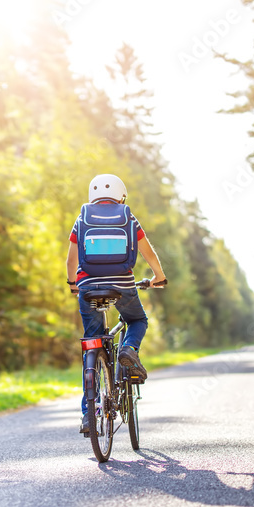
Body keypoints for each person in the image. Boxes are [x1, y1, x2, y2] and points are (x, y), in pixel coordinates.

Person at [66, 174, 167, 434]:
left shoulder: (82, 219)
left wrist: (73, 284)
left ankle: (90, 414)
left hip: (87, 287)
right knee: (137, 320)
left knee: (93, 340)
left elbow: (70, 260)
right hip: (122, 284)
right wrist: (158, 276)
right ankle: (129, 349)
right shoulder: (127, 217)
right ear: (121, 194)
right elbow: (147, 251)